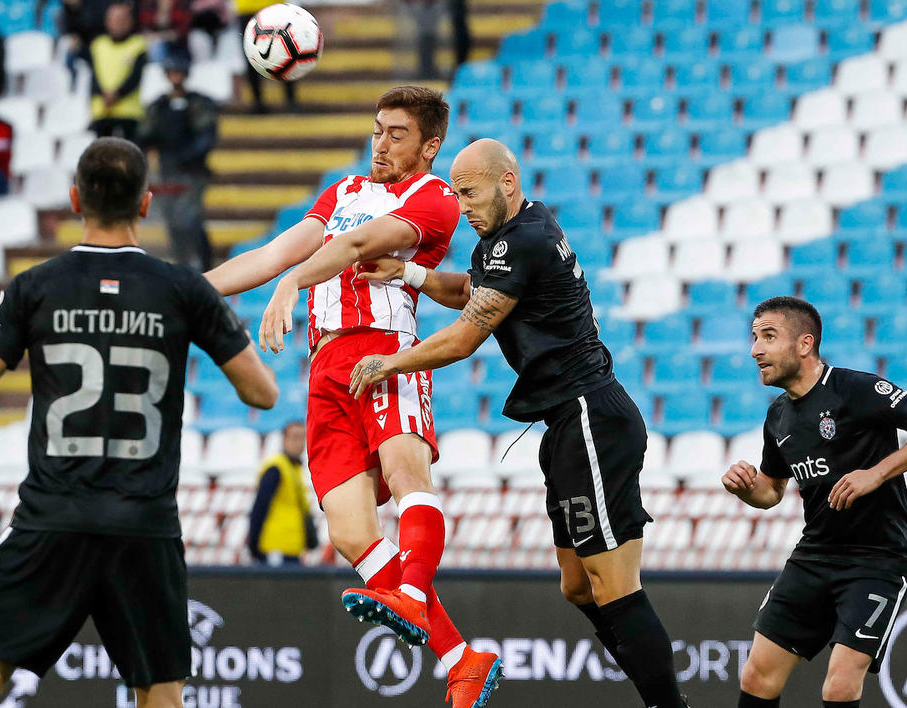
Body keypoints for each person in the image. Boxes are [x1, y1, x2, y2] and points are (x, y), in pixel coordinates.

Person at [0, 137, 278, 708]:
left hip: (51, 519)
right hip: (144, 525)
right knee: (161, 697)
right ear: (146, 203)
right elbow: (263, 392)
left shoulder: (34, 286)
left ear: (75, 199)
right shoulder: (182, 289)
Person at [349, 138, 689, 708]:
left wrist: (391, 361)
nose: (461, 206)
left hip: (590, 417)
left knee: (613, 584)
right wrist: (408, 273)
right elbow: (473, 292)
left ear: (506, 182)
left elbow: (465, 337)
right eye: (456, 194)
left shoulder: (521, 240)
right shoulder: (516, 231)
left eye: (469, 192)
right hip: (566, 424)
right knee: (577, 585)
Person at [205, 86, 504, 707]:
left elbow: (357, 246)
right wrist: (183, 292)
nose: (381, 145)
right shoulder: (342, 190)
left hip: (384, 352)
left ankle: (413, 596)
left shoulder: (434, 197)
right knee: (347, 530)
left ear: (430, 146)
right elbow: (273, 252)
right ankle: (460, 658)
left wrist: (292, 283)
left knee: (406, 471)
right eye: (377, 130)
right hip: (325, 369)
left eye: (397, 134)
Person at [721, 296, 907, 708]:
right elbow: (771, 491)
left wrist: (876, 474)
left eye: (769, 337)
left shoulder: (857, 389)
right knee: (757, 676)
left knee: (839, 685)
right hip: (815, 555)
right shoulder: (778, 416)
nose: (755, 350)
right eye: (754, 338)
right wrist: (746, 488)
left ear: (805, 344)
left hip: (877, 559)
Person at [137, 53, 216, 271]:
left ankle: (204, 265)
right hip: (167, 171)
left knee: (190, 218)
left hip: (192, 172)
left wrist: (187, 157)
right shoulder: (158, 106)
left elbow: (206, 137)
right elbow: (145, 134)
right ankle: (182, 265)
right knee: (172, 221)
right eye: (172, 72)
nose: (175, 77)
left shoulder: (198, 103)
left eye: (179, 72)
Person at [247, 420, 316, 565]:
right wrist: (253, 544)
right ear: (284, 440)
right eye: (295, 437)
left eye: (302, 438)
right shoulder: (276, 468)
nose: (299, 443)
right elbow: (260, 506)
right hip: (275, 546)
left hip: (293, 547)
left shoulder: (295, 469)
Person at [87, 2, 147, 141]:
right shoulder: (98, 44)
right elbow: (94, 76)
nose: (118, 24)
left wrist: (117, 94)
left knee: (128, 152)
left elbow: (135, 77)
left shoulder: (138, 44)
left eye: (122, 20)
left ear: (130, 21)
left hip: (128, 112)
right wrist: (103, 94)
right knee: (103, 152)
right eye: (114, 19)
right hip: (102, 111)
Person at [235, 0, 297, 113]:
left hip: (264, 8)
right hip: (258, 8)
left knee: (283, 52)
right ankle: (288, 101)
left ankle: (260, 102)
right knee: (284, 51)